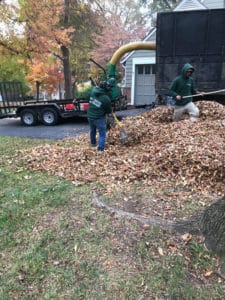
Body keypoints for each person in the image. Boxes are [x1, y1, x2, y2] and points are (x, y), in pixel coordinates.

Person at [87, 78, 116, 151]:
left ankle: (93, 143)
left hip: (90, 116)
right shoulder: (106, 98)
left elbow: (89, 99)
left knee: (92, 130)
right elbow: (108, 111)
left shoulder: (93, 91)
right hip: (99, 118)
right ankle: (100, 149)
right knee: (102, 133)